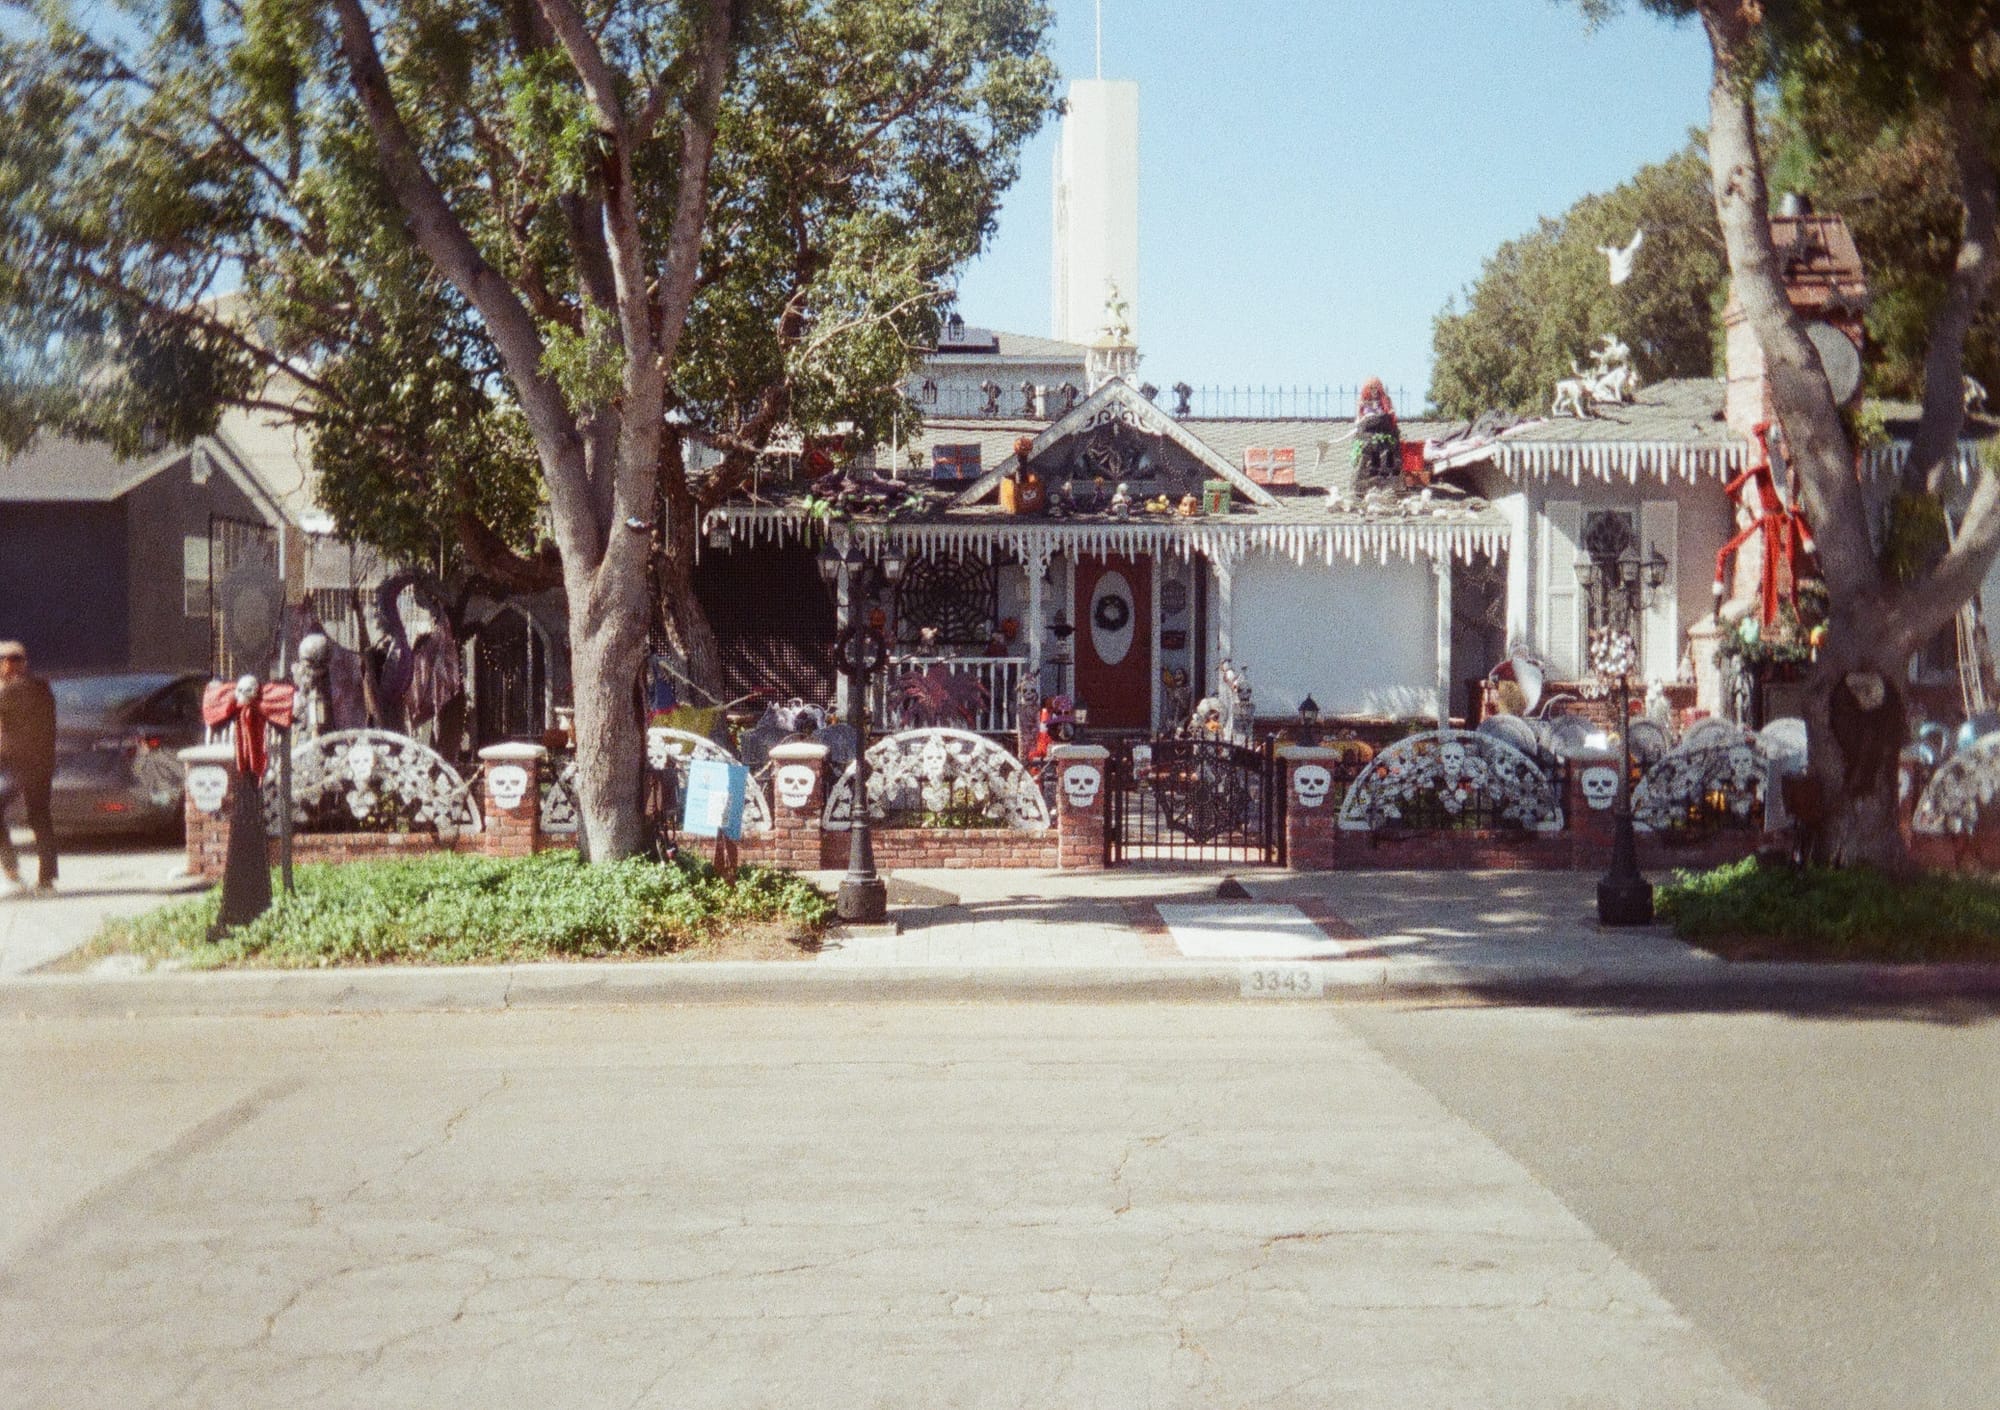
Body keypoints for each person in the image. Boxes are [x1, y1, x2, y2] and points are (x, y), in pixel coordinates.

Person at [0, 640, 57, 896]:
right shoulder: (42, 688)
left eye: (11, 660)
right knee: (40, 818)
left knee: (39, 818)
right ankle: (46, 880)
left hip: (16, 765)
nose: (8, 664)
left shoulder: (14, 690)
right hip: (41, 765)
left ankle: (12, 870)